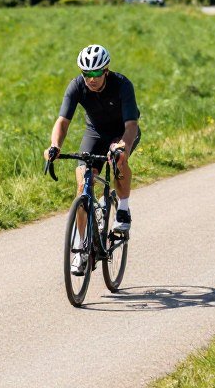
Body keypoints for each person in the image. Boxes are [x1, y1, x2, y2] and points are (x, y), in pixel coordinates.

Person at [44, 44, 141, 275]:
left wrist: (122, 147)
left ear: (106, 70)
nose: (91, 79)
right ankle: (81, 248)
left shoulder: (122, 85)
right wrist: (55, 146)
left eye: (96, 73)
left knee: (118, 161)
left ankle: (123, 209)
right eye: (86, 74)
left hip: (122, 132)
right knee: (82, 186)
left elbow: (131, 126)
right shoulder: (77, 86)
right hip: (95, 133)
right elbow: (62, 122)